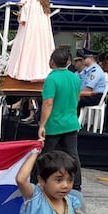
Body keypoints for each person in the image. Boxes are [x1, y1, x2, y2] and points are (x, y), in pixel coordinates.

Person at [38, 48, 83, 191]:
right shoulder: (75, 78)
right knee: (73, 154)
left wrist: (42, 124)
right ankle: (76, 185)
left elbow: (48, 102)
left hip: (54, 123)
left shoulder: (51, 78)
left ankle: (38, 181)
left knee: (45, 155)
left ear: (51, 62)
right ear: (68, 62)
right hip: (71, 122)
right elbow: (77, 98)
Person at [4, 0, 55, 81]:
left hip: (31, 28)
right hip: (42, 29)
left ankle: (26, 71)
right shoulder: (44, 0)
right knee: (43, 47)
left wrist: (21, 8)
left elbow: (24, 14)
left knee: (28, 46)